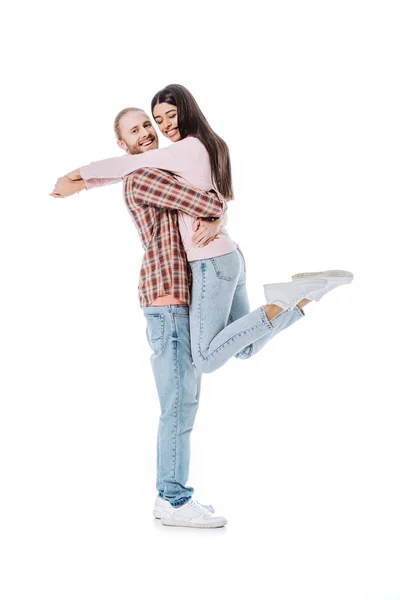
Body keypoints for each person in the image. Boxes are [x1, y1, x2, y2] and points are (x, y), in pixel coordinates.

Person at [51, 86, 353, 526]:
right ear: (123, 143)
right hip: (169, 297)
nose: (149, 133)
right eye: (137, 130)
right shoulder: (147, 175)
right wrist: (77, 179)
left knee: (232, 356)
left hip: (192, 283)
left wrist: (216, 212)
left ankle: (295, 301)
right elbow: (204, 198)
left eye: (151, 125)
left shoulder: (162, 164)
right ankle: (171, 500)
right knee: (181, 401)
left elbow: (208, 200)